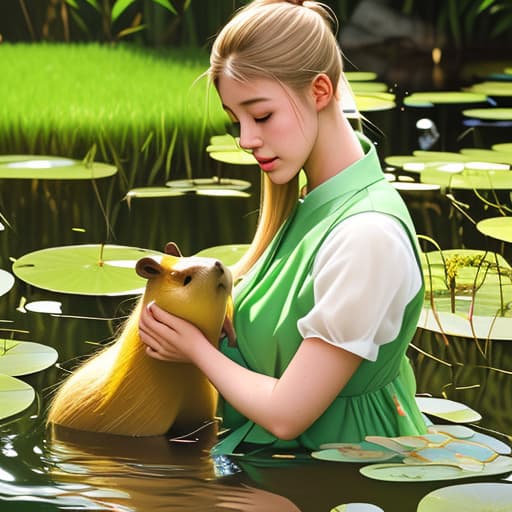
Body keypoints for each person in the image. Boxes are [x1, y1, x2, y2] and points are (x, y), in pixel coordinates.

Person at [139, 0, 428, 456]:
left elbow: (288, 414)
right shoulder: (310, 204)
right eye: (236, 121)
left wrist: (196, 350)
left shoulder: (367, 235)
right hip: (269, 460)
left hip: (341, 475)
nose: (247, 140)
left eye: (262, 115)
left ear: (319, 91)